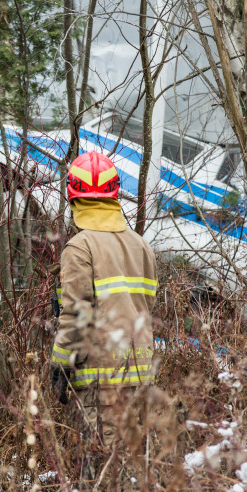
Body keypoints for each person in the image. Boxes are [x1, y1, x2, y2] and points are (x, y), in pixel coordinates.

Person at [50, 151, 158, 446]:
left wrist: (60, 365)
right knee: (135, 464)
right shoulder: (142, 246)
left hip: (102, 381)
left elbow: (75, 318)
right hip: (141, 373)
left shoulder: (80, 247)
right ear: (114, 195)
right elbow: (146, 308)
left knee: (104, 468)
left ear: (73, 197)